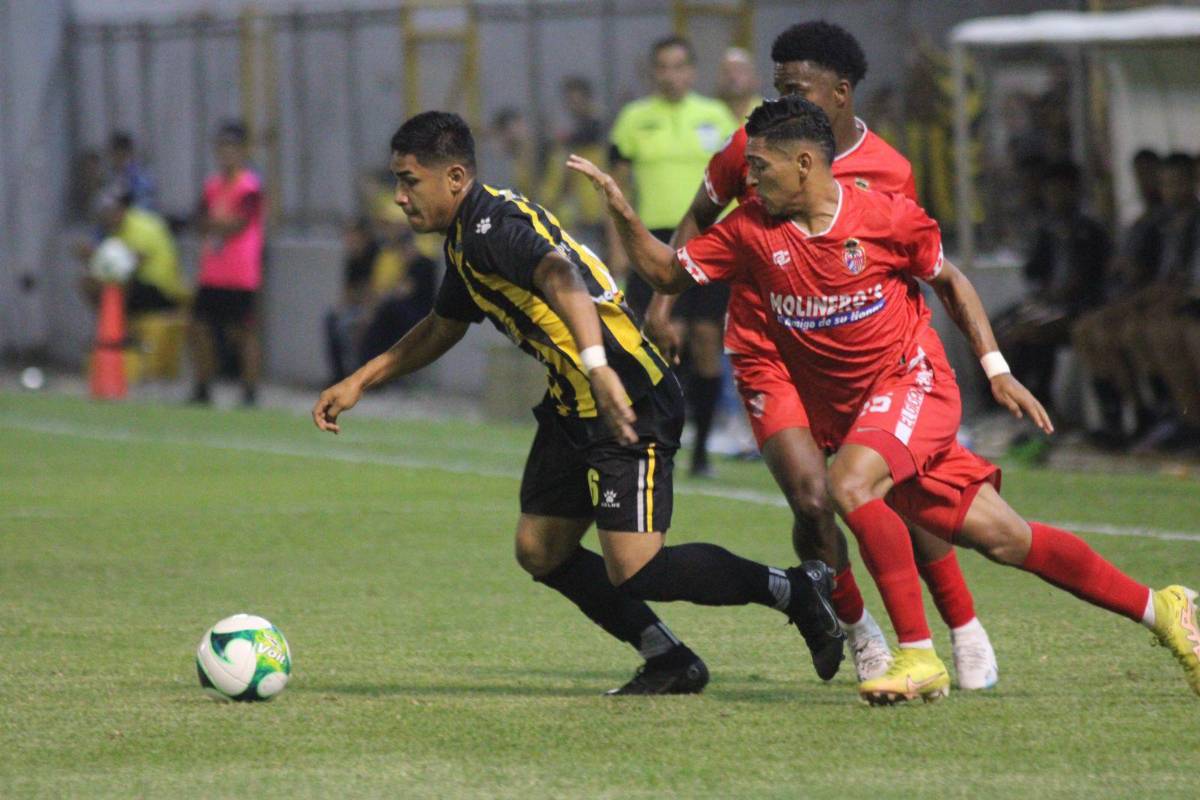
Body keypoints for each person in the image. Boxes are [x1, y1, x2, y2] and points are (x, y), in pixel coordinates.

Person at [568, 95, 1200, 704]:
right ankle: (1163, 608)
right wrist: (623, 214)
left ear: (805, 164)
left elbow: (950, 282)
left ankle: (918, 654)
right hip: (854, 414)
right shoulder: (751, 232)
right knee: (1007, 539)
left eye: (760, 168)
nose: (750, 181)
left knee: (847, 486)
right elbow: (669, 273)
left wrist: (996, 368)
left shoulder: (886, 216)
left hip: (914, 383)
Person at [312, 110, 845, 695]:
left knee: (637, 567)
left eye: (409, 181)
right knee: (541, 549)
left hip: (627, 392)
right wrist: (360, 380)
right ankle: (668, 658)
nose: (400, 196)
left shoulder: (497, 228)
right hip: (574, 404)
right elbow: (443, 326)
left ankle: (793, 589)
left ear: (456, 177)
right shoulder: (467, 239)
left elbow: (560, 276)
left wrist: (597, 368)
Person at [644, 20, 996, 690]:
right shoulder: (755, 145)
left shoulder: (890, 170)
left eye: (795, 87)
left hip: (864, 352)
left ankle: (963, 624)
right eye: (777, 86)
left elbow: (911, 259)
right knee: (811, 498)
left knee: (903, 497)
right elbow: (699, 217)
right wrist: (664, 305)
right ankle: (859, 629)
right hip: (767, 348)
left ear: (840, 93)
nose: (781, 100)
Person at [609, 36, 739, 476]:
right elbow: (617, 189)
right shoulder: (634, 119)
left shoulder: (716, 117)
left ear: (693, 71)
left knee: (705, 342)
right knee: (660, 340)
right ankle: (658, 443)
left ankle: (701, 451)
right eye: (663, 66)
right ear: (653, 71)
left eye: (680, 65)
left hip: (710, 243)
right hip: (654, 242)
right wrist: (618, 251)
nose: (672, 74)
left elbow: (737, 183)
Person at [991, 161, 1109, 411]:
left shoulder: (1090, 231)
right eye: (1052, 191)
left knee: (1031, 330)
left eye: (1062, 190)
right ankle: (1006, 401)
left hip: (1079, 307)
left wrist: (1054, 295)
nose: (1056, 197)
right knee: (995, 328)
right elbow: (1034, 271)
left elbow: (1088, 279)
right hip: (1049, 303)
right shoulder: (1048, 231)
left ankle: (1040, 402)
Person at [189, 120, 267, 407]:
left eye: (232, 148)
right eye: (222, 148)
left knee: (243, 332)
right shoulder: (213, 185)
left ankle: (249, 390)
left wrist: (213, 224)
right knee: (199, 327)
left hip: (240, 271)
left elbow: (237, 224)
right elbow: (199, 220)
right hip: (212, 269)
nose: (226, 154)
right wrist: (213, 224)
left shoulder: (250, 186)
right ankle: (203, 385)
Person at [79, 189, 189, 317]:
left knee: (116, 286)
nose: (107, 217)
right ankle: (111, 329)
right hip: (142, 286)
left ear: (121, 209)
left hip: (161, 290)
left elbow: (131, 263)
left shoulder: (141, 225)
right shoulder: (116, 230)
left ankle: (115, 333)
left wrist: (95, 257)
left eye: (110, 212)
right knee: (91, 283)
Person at [108, 131, 157, 211]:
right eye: (115, 156)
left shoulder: (140, 176)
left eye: (122, 156)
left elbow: (145, 203)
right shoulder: (111, 175)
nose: (118, 160)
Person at [716, 47, 763, 123]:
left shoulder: (770, 115)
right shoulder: (707, 113)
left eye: (740, 71)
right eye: (726, 72)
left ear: (755, 79)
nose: (732, 77)